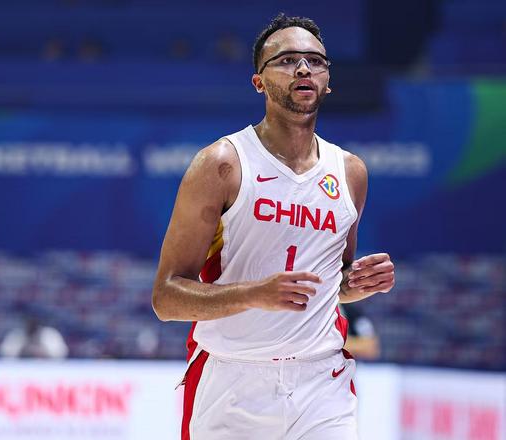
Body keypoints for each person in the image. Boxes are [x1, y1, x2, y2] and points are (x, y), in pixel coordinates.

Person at [152, 14, 395, 440]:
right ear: (258, 82)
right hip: (232, 383)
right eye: (286, 60)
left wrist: (357, 283)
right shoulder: (222, 164)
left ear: (327, 82)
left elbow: (331, 285)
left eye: (315, 61)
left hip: (322, 383)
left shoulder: (350, 172)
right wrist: (254, 294)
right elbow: (166, 298)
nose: (303, 69)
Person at [0, 316, 68, 359]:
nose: (31, 326)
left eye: (33, 324)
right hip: (20, 368)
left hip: (47, 369)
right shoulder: (17, 334)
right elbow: (5, 352)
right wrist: (24, 350)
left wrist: (42, 352)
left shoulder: (50, 334)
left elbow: (61, 352)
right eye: (29, 324)